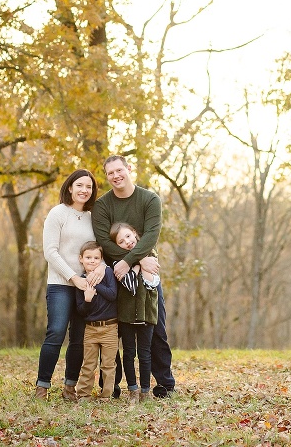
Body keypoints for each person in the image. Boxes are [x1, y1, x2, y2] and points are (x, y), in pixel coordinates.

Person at [92, 155, 176, 399]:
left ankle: (165, 384)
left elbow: (151, 235)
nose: (116, 176)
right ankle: (112, 384)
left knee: (156, 325)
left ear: (129, 169)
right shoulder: (102, 206)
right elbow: (103, 242)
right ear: (106, 176)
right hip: (115, 274)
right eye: (110, 173)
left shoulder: (149, 199)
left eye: (120, 170)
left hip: (147, 274)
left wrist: (134, 261)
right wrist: (135, 259)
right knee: (113, 331)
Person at [36, 169, 105, 401]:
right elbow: (50, 252)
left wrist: (100, 269)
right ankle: (42, 387)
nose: (84, 190)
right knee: (55, 332)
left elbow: (101, 250)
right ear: (69, 188)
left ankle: (69, 388)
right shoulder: (58, 213)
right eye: (79, 186)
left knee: (78, 338)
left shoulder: (93, 216)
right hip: (60, 284)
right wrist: (73, 277)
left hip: (86, 285)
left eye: (89, 187)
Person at [109, 222, 159, 401]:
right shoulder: (118, 262)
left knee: (145, 353)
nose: (127, 242)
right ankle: (132, 390)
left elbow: (151, 282)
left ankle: (145, 391)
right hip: (127, 314)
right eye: (121, 241)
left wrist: (137, 265)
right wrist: (138, 264)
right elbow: (130, 285)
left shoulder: (151, 254)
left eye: (128, 236)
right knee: (129, 353)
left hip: (147, 312)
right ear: (117, 246)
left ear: (135, 233)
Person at [74, 241, 118, 400]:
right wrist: (87, 299)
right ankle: (83, 395)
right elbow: (80, 310)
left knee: (108, 365)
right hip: (91, 329)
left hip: (110, 327)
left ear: (101, 259)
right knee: (88, 365)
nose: (92, 261)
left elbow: (113, 294)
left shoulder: (108, 274)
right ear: (81, 259)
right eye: (88, 257)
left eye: (96, 258)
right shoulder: (80, 281)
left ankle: (106, 395)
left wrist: (95, 284)